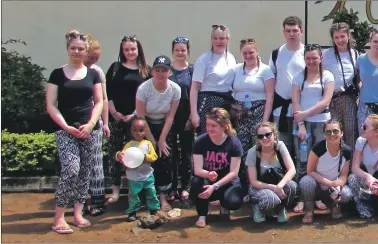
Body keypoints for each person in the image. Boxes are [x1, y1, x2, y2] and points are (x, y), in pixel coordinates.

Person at [46, 30, 103, 234]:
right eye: (73, 48)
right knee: (71, 170)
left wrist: (90, 124)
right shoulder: (57, 74)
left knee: (85, 172)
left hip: (89, 130)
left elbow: (99, 102)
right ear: (68, 49)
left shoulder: (94, 74)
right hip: (65, 130)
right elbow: (51, 105)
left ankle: (78, 213)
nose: (76, 51)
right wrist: (66, 127)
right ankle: (59, 217)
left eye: (80, 49)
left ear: (86, 50)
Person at [106, 35, 151, 204]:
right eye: (126, 49)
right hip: (116, 118)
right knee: (116, 154)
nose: (130, 52)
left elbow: (148, 96)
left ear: (138, 49)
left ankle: (139, 191)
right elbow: (107, 93)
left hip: (137, 120)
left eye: (133, 49)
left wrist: (134, 113)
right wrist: (114, 112)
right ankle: (116, 191)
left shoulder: (146, 70)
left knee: (139, 154)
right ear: (122, 51)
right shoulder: (115, 68)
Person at [292, 44, 335, 213]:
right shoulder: (298, 77)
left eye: (314, 57)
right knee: (302, 161)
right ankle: (302, 198)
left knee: (318, 163)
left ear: (321, 58)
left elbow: (326, 102)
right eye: (308, 58)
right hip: (302, 126)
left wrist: (305, 114)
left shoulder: (327, 76)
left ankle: (316, 196)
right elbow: (295, 102)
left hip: (322, 124)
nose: (311, 61)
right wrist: (301, 123)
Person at [135, 55, 181, 211]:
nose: (161, 73)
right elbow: (140, 117)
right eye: (157, 70)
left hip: (164, 125)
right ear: (152, 71)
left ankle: (163, 198)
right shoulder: (144, 88)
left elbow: (171, 116)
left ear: (170, 72)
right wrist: (152, 141)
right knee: (144, 159)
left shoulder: (175, 89)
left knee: (164, 159)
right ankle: (144, 198)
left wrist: (161, 141)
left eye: (164, 70)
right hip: (144, 125)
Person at [231, 38, 275, 188]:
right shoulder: (236, 69)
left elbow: (270, 96)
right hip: (240, 114)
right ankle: (244, 185)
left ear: (257, 52)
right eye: (245, 53)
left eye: (251, 52)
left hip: (259, 111)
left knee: (259, 149)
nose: (248, 55)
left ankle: (260, 184)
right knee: (242, 149)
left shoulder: (266, 70)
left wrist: (265, 120)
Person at [190, 108, 245, 228]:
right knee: (196, 183)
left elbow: (234, 173)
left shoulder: (234, 143)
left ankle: (224, 206)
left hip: (227, 181)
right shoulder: (200, 141)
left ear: (224, 126)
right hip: (208, 179)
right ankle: (202, 214)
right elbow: (197, 170)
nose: (209, 129)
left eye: (213, 126)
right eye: (208, 125)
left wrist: (215, 186)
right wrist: (208, 174)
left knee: (234, 201)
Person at [299, 119, 353, 224]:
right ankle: (309, 211)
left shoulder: (347, 151)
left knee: (346, 194)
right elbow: (310, 171)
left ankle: (335, 206)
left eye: (335, 131)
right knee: (306, 182)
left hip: (333, 187)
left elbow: (344, 175)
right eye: (328, 132)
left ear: (341, 133)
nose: (332, 134)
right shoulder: (318, 148)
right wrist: (330, 183)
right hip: (317, 185)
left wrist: (338, 185)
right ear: (324, 134)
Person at [246, 122, 297, 223]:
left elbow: (292, 170)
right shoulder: (252, 152)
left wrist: (280, 186)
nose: (264, 138)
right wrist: (274, 187)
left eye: (268, 134)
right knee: (272, 200)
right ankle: (258, 207)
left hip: (278, 183)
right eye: (260, 136)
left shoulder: (280, 146)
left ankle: (280, 209)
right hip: (259, 187)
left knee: (292, 187)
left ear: (274, 134)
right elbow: (253, 182)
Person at [269, 16, 305, 159]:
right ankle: (284, 178)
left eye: (295, 30)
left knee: (301, 148)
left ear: (301, 31)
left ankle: (300, 179)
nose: (291, 34)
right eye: (288, 31)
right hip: (281, 109)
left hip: (303, 109)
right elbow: (271, 82)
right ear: (283, 32)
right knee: (281, 148)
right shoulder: (276, 53)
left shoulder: (308, 53)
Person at [190, 24, 236, 135]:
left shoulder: (231, 57)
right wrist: (194, 113)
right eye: (215, 38)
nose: (218, 41)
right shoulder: (203, 60)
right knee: (209, 137)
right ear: (211, 40)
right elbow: (195, 88)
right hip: (208, 102)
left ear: (227, 39)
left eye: (222, 38)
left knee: (225, 136)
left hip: (227, 102)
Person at [82, 33, 109, 216]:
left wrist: (105, 122)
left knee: (96, 162)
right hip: (77, 122)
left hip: (95, 122)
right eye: (91, 57)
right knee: (82, 164)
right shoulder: (70, 71)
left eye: (96, 58)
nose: (93, 61)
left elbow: (104, 99)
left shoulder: (97, 72)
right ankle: (81, 201)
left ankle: (98, 201)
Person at [322, 22, 359, 150]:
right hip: (331, 99)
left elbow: (358, 77)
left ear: (348, 35)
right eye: (336, 37)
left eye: (342, 36)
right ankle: (335, 165)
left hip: (349, 99)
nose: (340, 40)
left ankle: (351, 166)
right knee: (333, 132)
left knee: (351, 132)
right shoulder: (326, 54)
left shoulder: (354, 53)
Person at [115, 117, 160, 221]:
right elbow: (121, 156)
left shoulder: (147, 144)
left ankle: (153, 209)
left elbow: (154, 157)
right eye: (135, 130)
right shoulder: (129, 145)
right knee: (133, 195)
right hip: (133, 176)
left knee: (151, 192)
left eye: (140, 130)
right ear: (131, 131)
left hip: (147, 174)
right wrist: (119, 155)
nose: (138, 133)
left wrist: (146, 157)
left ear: (145, 131)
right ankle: (132, 212)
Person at [169, 37, 194, 207]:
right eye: (177, 49)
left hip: (186, 114)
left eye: (183, 50)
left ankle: (186, 186)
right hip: (169, 115)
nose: (180, 53)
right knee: (170, 153)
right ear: (173, 51)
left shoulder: (192, 70)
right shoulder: (167, 70)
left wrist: (192, 116)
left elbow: (195, 94)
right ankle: (172, 187)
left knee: (186, 153)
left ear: (188, 51)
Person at [348, 114, 378, 219]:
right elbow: (354, 168)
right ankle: (363, 209)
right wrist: (368, 177)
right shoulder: (361, 142)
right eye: (362, 125)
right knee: (352, 178)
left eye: (365, 127)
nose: (361, 128)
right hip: (368, 181)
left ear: (376, 132)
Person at [356, 29, 378, 133]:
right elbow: (356, 78)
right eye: (375, 41)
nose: (377, 44)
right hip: (365, 107)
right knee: (364, 139)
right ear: (370, 41)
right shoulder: (361, 59)